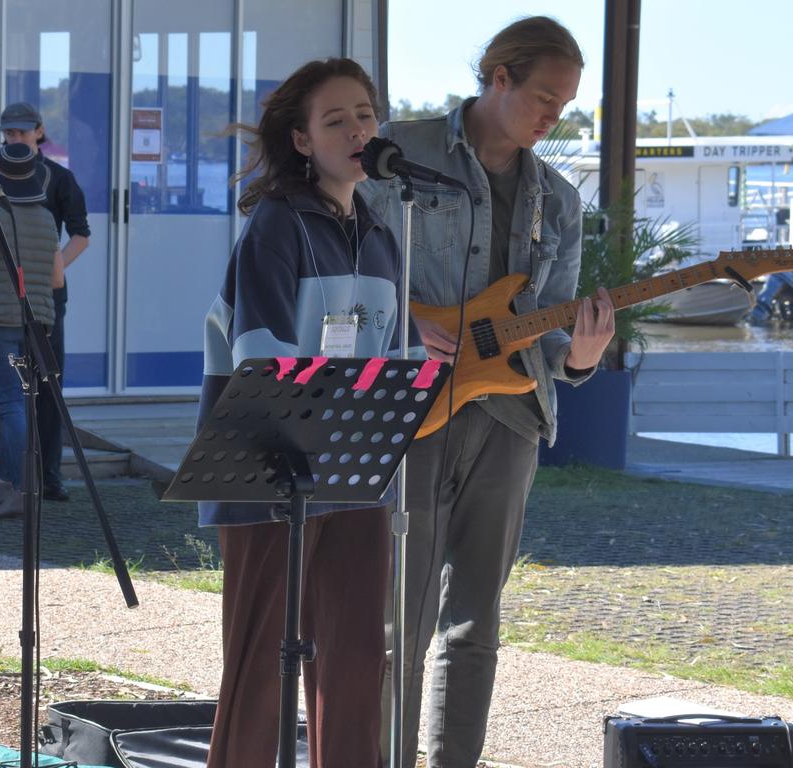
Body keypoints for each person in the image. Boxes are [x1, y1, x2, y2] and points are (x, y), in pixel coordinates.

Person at [360, 16, 616, 768]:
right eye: (543, 96)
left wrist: (584, 356)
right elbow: (342, 255)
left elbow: (552, 326)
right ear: (497, 75)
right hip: (413, 399)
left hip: (513, 414)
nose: (552, 117)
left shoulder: (558, 201)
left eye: (565, 105)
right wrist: (404, 317)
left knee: (476, 620)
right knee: (395, 618)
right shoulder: (397, 151)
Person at [199, 57, 421, 768]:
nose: (358, 129)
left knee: (358, 659)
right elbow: (258, 352)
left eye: (365, 114)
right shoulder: (276, 225)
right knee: (260, 668)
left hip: (357, 472)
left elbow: (395, 353)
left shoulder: (385, 232)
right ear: (301, 141)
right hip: (270, 472)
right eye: (336, 119)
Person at [0, 101, 90, 501]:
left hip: (50, 298)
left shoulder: (60, 178)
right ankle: (6, 475)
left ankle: (50, 474)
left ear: (39, 132)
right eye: (9, 133)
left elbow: (81, 235)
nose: (16, 138)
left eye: (22, 132)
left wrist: (51, 268)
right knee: (6, 391)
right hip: (0, 299)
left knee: (49, 387)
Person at [0, 142, 59, 518]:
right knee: (22, 403)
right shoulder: (47, 218)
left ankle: (22, 490)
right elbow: (56, 277)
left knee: (10, 405)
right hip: (37, 323)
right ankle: (6, 485)